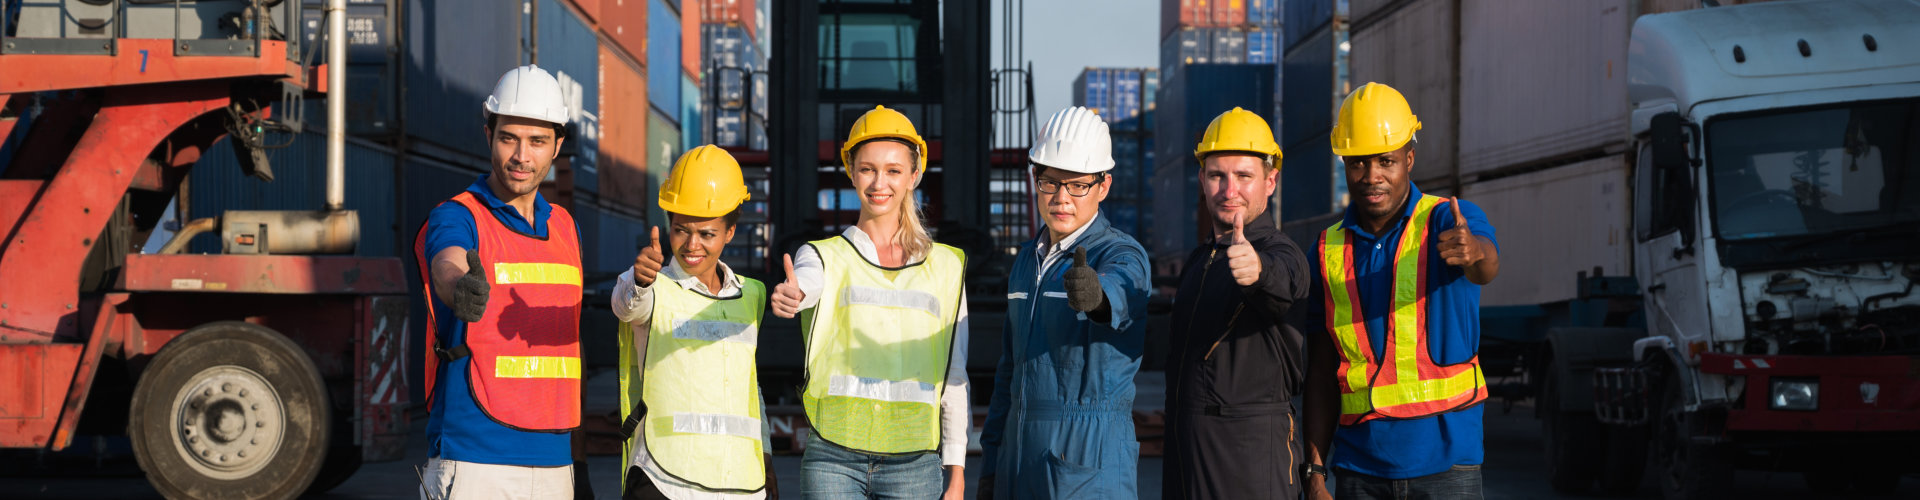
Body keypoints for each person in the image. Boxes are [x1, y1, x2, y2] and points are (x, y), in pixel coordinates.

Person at [1301, 82, 1501, 500]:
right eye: (1358, 163)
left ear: (1409, 159)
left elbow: (1486, 268)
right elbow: (1320, 371)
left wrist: (1473, 250)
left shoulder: (1448, 220)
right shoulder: (1326, 250)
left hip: (1449, 465)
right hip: (1359, 468)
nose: (1372, 176)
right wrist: (1315, 472)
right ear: (1344, 165)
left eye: (1386, 161)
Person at [769, 106, 969, 500]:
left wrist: (957, 473)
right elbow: (806, 283)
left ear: (914, 176)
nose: (880, 182)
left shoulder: (947, 266)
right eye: (868, 169)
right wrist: (793, 296)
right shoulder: (823, 255)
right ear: (851, 171)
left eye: (893, 170)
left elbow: (955, 375)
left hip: (915, 464)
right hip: (833, 458)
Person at [413, 64, 584, 499]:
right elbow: (447, 261)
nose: (521, 156)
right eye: (509, 137)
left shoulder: (565, 227)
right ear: (488, 133)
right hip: (474, 459)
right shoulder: (458, 214)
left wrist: (577, 466)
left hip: (555, 460)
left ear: (557, 145)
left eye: (537, 142)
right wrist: (458, 289)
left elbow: (567, 346)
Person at [977, 107, 1153, 499]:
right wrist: (991, 468)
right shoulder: (1026, 261)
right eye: (1049, 182)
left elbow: (1122, 288)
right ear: (1035, 178)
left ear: (1103, 186)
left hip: (1087, 463)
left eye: (1077, 186)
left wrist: (1097, 296)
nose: (1061, 198)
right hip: (1017, 465)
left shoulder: (1121, 253)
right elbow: (1009, 374)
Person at [610, 145, 779, 499]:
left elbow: (749, 389)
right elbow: (627, 306)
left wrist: (765, 457)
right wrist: (640, 280)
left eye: (707, 233)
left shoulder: (751, 295)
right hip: (663, 479)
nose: (691, 245)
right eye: (680, 230)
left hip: (739, 484)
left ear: (730, 231)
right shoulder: (653, 285)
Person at [1162, 107, 1313, 499]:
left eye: (1244, 176)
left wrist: (1257, 272)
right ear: (1202, 180)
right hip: (1187, 464)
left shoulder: (1283, 253)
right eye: (1217, 176)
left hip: (1251, 467)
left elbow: (1282, 284)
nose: (1230, 191)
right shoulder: (1200, 261)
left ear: (1270, 181)